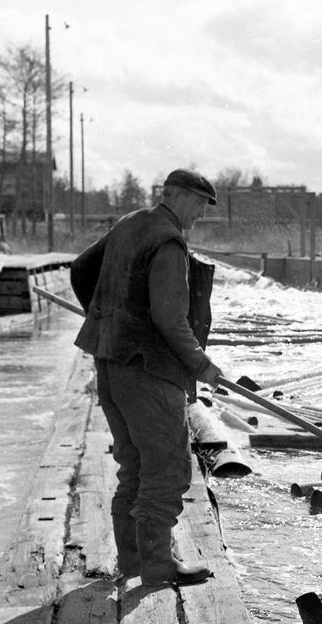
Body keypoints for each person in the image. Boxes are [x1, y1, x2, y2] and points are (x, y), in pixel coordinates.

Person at [69, 169, 223, 586]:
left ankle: (135, 559)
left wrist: (109, 321)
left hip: (110, 363)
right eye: (198, 204)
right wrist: (202, 365)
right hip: (148, 372)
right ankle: (157, 565)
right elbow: (171, 321)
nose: (200, 214)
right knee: (168, 467)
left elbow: (81, 269)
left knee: (134, 464)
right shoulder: (168, 241)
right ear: (176, 196)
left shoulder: (130, 223)